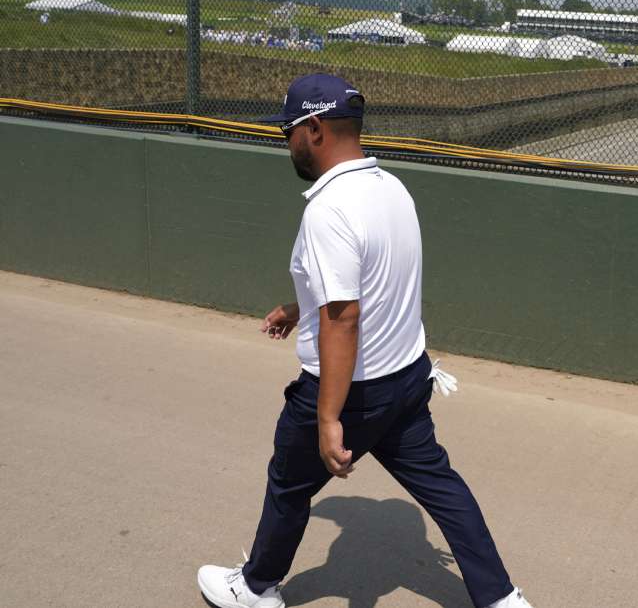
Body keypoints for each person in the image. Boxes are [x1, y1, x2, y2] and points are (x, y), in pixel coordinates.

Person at [197, 74, 533, 608]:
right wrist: (298, 306)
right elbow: (369, 283)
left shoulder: (328, 209)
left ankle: (257, 588)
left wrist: (328, 417)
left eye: (287, 131)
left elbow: (344, 318)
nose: (286, 143)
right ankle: (501, 600)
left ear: (314, 130)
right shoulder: (391, 188)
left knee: (288, 483)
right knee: (443, 489)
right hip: (405, 380)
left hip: (350, 390)